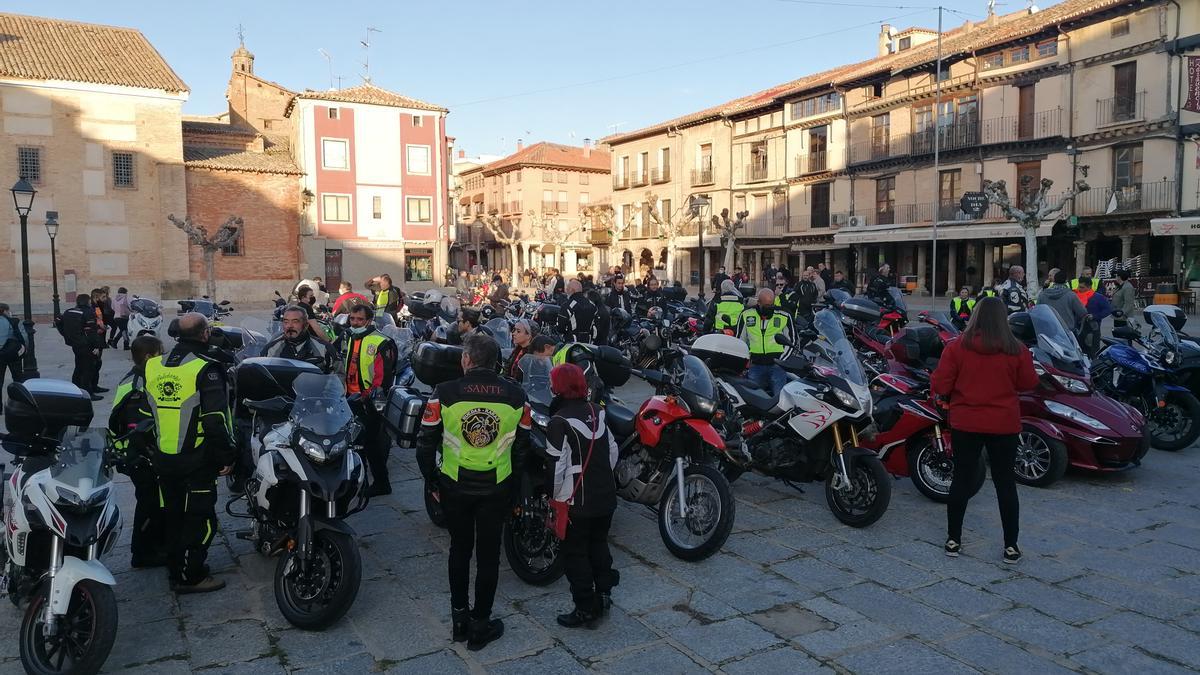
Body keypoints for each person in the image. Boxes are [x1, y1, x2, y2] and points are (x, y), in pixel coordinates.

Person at [416, 334, 531, 650]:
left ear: (465, 360)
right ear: (497, 362)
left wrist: (432, 481)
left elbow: (425, 444)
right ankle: (481, 624)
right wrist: (513, 486)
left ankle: (459, 620)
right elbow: (522, 449)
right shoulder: (517, 396)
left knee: (459, 550)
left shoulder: (445, 393)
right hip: (496, 486)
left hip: (455, 485)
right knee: (489, 557)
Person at [931, 296, 1038, 564]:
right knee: (1005, 483)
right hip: (1003, 424)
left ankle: (953, 540)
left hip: (966, 422)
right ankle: (1011, 546)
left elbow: (941, 383)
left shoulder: (957, 348)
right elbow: (1028, 383)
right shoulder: (1017, 349)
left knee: (962, 480)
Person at [144, 312, 236, 593]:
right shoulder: (206, 369)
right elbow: (215, 419)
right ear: (205, 334)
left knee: (172, 514)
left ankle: (175, 568)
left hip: (163, 455)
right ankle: (192, 575)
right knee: (200, 517)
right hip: (197, 457)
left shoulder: (153, 365)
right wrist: (228, 455)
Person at [545, 363, 620, 628]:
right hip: (605, 496)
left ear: (558, 387)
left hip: (577, 501)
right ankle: (604, 594)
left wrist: (555, 499)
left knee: (575, 554)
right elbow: (612, 451)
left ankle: (584, 608)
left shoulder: (558, 422)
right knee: (599, 545)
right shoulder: (598, 411)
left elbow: (557, 468)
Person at [108, 335, 166, 568]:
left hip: (137, 454)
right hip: (138, 456)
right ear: (149, 356)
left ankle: (154, 545)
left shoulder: (139, 378)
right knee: (149, 502)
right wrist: (149, 454)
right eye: (160, 352)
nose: (163, 357)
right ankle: (143, 553)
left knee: (153, 501)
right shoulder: (137, 386)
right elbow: (136, 427)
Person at [341, 304, 398, 497]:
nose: (355, 323)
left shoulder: (381, 342)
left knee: (370, 444)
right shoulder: (351, 337)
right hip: (351, 397)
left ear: (369, 320)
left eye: (359, 319)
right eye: (352, 319)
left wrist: (368, 398)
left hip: (369, 402)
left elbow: (382, 378)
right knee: (357, 443)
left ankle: (380, 483)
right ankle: (361, 481)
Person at [737, 289, 795, 396]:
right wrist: (745, 360)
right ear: (758, 302)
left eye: (772, 304)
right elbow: (740, 340)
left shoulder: (784, 315)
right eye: (767, 305)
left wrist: (782, 360)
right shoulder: (746, 314)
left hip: (777, 366)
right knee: (754, 398)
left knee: (780, 400)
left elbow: (792, 340)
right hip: (755, 365)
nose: (770, 307)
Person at [262, 305, 334, 372]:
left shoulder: (324, 348)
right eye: (286, 322)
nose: (289, 326)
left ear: (306, 325)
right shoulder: (271, 349)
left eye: (295, 322)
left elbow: (337, 377)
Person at [60, 295, 104, 400]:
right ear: (88, 301)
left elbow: (58, 322)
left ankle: (78, 389)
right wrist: (97, 346)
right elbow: (92, 331)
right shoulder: (88, 312)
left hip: (76, 344)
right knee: (88, 368)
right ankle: (88, 393)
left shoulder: (69, 311)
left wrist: (66, 336)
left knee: (79, 366)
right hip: (87, 345)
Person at [0, 303, 25, 406]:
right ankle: (18, 403)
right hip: (13, 354)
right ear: (5, 311)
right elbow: (22, 337)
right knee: (18, 379)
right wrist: (24, 348)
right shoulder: (14, 321)